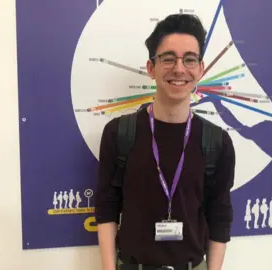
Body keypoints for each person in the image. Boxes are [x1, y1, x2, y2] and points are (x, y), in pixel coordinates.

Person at [95, 13, 235, 270]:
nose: (179, 69)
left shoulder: (217, 142)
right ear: (151, 68)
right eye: (168, 58)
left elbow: (220, 215)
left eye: (189, 59)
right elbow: (106, 208)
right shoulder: (119, 134)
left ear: (201, 69)